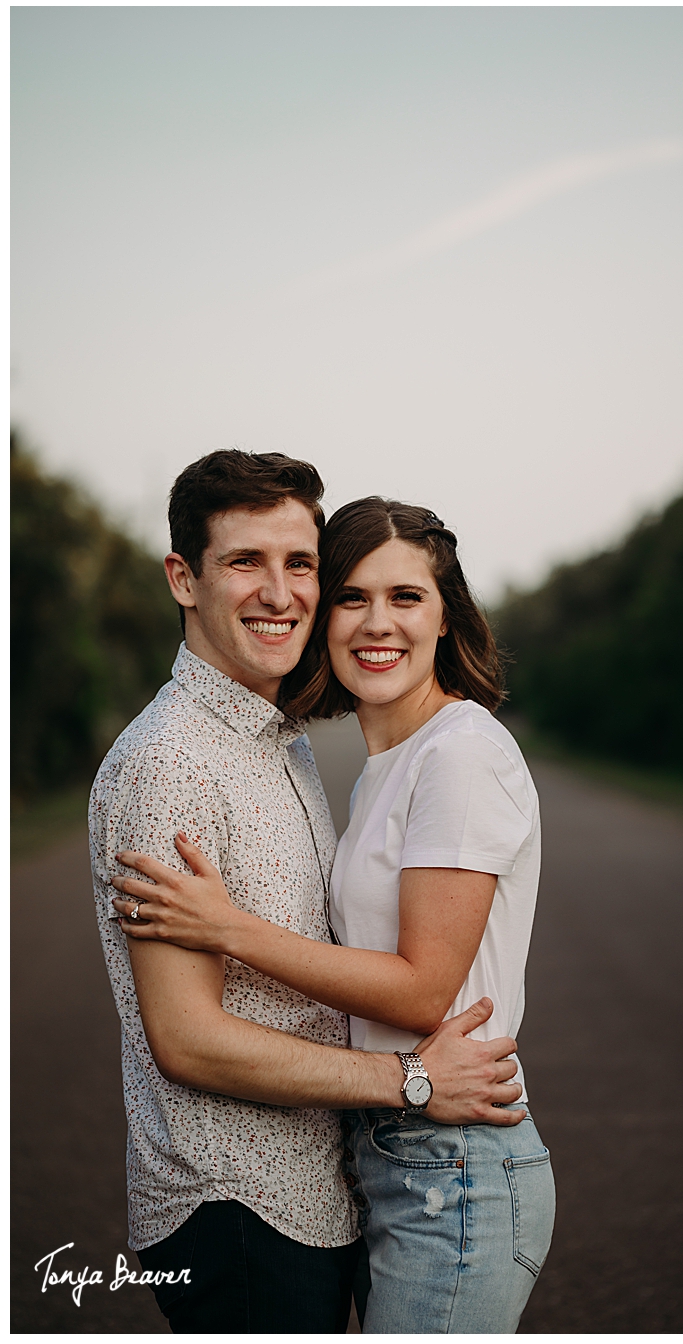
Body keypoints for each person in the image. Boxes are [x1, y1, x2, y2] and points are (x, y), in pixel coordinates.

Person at [89, 451, 527, 1333]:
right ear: (184, 577)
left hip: (320, 1192)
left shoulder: (278, 740)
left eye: (300, 565)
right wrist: (405, 1082)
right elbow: (188, 1040)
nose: (281, 593)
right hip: (237, 1203)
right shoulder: (169, 763)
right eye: (246, 562)